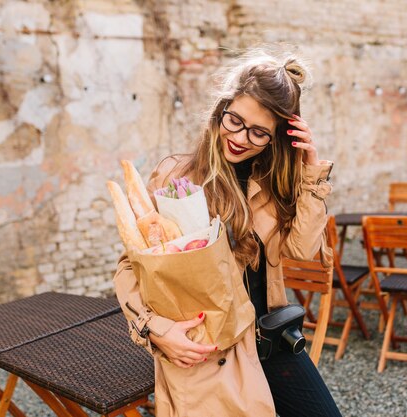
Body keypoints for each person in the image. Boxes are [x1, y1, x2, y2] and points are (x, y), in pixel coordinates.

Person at [113, 48, 342, 417]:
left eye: (259, 132)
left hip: (272, 337)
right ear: (220, 111)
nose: (241, 137)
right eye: (234, 120)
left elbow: (302, 249)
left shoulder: (272, 184)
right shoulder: (177, 178)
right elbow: (132, 267)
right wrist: (154, 330)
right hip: (214, 347)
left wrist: (311, 172)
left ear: (277, 138)